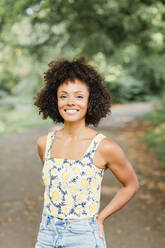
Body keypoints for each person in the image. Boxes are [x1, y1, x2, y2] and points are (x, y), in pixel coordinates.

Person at [33, 56, 139, 248]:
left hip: (83, 236)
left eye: (79, 96)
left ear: (91, 100)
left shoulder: (104, 147)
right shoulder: (44, 143)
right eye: (63, 96)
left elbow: (131, 184)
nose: (70, 102)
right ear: (54, 100)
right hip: (46, 234)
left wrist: (101, 218)